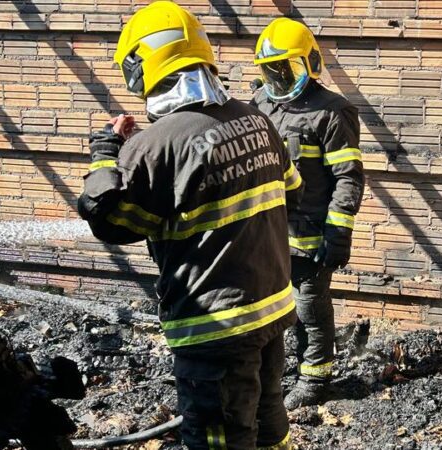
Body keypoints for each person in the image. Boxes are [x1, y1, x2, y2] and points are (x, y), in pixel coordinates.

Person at [77, 3, 302, 449]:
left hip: (213, 330)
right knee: (270, 425)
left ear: (142, 65)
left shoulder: (155, 145)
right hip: (272, 310)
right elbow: (291, 190)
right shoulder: (258, 120)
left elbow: (113, 224)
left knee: (218, 438)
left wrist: (105, 152)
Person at [250, 18, 365, 410]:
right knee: (271, 309)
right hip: (266, 234)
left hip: (311, 236)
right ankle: (277, 372)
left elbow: (347, 177)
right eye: (273, 71)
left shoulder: (333, 112)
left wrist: (339, 232)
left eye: (288, 69)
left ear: (310, 62)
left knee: (309, 310)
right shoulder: (260, 103)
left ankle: (315, 380)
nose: (280, 80)